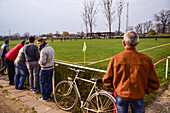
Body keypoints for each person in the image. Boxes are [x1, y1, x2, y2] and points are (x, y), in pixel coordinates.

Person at [102, 31, 160, 113]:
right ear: (137, 43)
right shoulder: (146, 59)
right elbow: (155, 83)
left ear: (123, 43)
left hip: (121, 95)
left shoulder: (116, 59)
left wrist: (117, 88)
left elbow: (106, 80)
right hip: (137, 96)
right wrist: (143, 91)